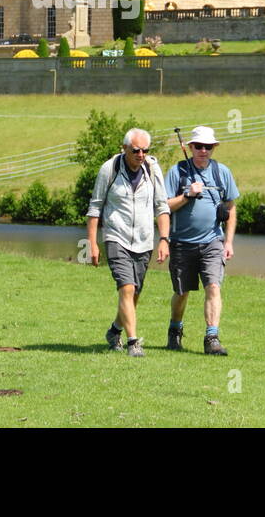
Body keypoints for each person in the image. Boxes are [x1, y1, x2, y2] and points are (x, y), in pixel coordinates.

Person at [86, 128, 170, 357]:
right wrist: (92, 244)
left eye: (145, 150)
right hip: (116, 237)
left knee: (134, 294)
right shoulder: (109, 169)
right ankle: (133, 342)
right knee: (127, 287)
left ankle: (115, 330)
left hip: (144, 241)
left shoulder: (152, 169)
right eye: (136, 150)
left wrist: (164, 239)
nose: (141, 154)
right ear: (124, 149)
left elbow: (161, 206)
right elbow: (95, 208)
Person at [165, 125, 238, 356]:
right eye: (198, 146)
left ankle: (212, 338)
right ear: (190, 147)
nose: (203, 151)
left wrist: (228, 242)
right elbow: (164, 205)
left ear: (214, 148)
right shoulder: (177, 172)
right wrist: (188, 195)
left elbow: (231, 207)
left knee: (213, 287)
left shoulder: (222, 172)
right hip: (181, 242)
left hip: (212, 241)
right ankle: (175, 329)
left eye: (208, 146)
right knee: (182, 292)